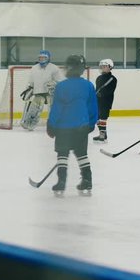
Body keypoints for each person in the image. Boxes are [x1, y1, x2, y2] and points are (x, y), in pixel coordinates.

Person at [46, 54, 98, 197]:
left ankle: (61, 181)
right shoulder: (88, 85)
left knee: (62, 154)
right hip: (82, 126)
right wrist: (91, 123)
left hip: (64, 127)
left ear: (68, 68)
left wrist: (51, 125)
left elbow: (57, 108)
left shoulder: (61, 86)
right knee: (82, 154)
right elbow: (93, 107)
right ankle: (87, 180)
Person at [19, 50, 63, 130]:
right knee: (34, 110)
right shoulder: (34, 68)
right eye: (40, 58)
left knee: (53, 110)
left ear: (48, 58)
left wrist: (54, 84)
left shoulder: (54, 68)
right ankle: (29, 124)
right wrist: (29, 89)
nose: (42, 59)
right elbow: (31, 81)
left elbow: (60, 81)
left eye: (44, 58)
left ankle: (55, 125)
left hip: (51, 93)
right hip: (38, 92)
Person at [93, 59, 118, 143]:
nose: (102, 68)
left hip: (106, 102)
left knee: (103, 118)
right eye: (101, 66)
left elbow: (110, 91)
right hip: (97, 101)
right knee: (96, 118)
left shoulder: (113, 79)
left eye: (104, 66)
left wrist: (102, 95)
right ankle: (103, 133)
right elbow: (97, 89)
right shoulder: (99, 78)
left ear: (110, 67)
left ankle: (102, 135)